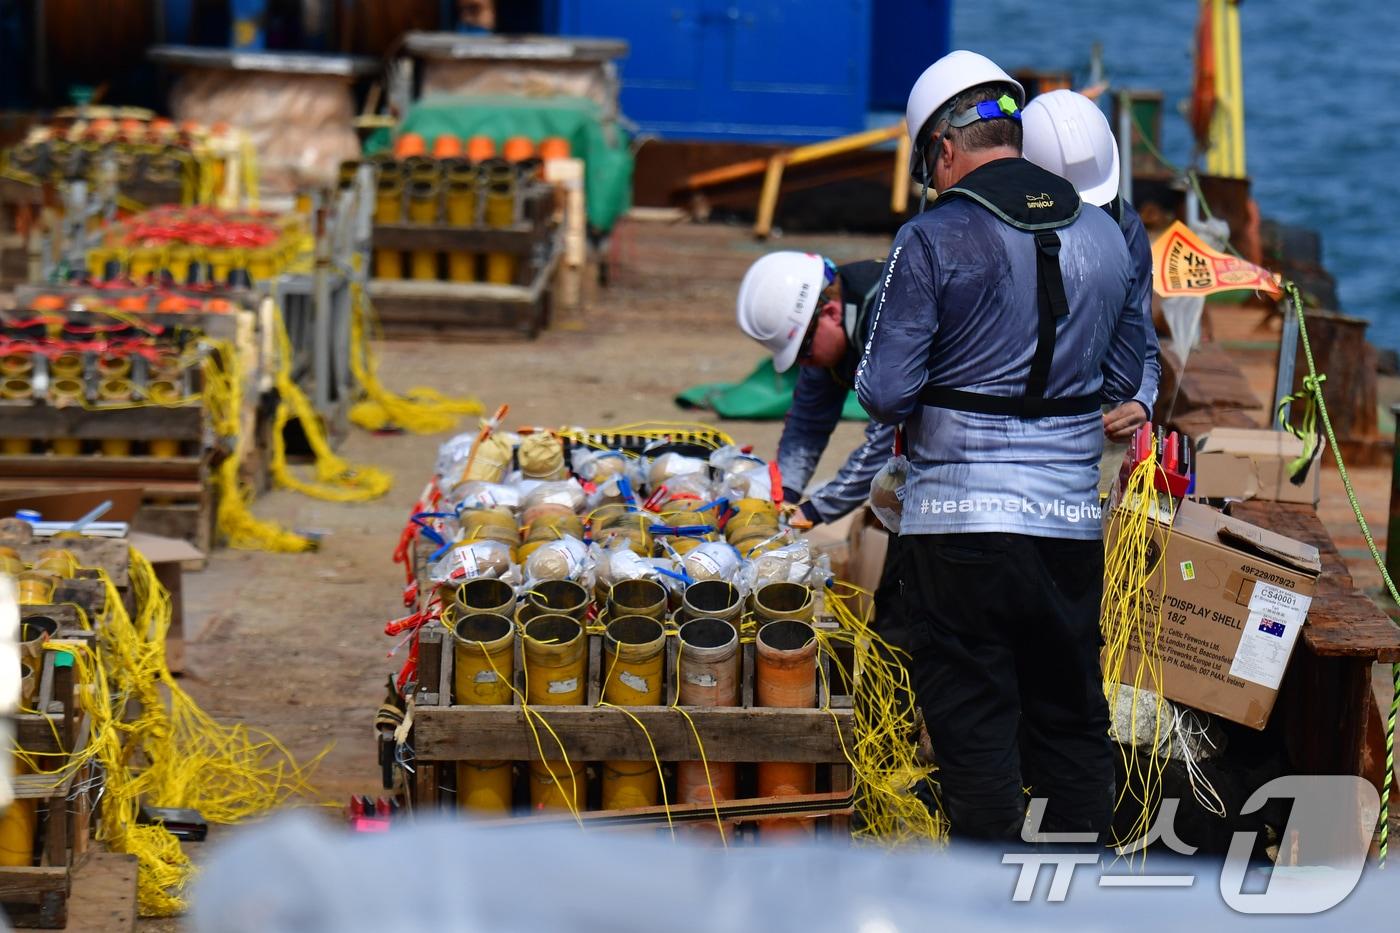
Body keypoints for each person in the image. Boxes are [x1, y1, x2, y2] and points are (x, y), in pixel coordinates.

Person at [855, 50, 1146, 842]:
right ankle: (1070, 895)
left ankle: (986, 911)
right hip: (1067, 526)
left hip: (957, 527)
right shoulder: (1105, 235)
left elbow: (881, 391)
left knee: (974, 727)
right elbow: (1123, 376)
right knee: (1069, 719)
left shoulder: (931, 235)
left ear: (943, 151)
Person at [1021, 88, 1161, 440]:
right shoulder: (991, 231)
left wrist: (1141, 401)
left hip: (1085, 422)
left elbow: (1144, 347)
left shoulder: (1126, 228)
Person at [735, 251, 892, 528]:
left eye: (802, 350)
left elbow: (887, 438)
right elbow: (807, 422)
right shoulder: (829, 326)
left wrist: (815, 510)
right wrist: (783, 494)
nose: (804, 363)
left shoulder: (892, 318)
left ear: (830, 313)